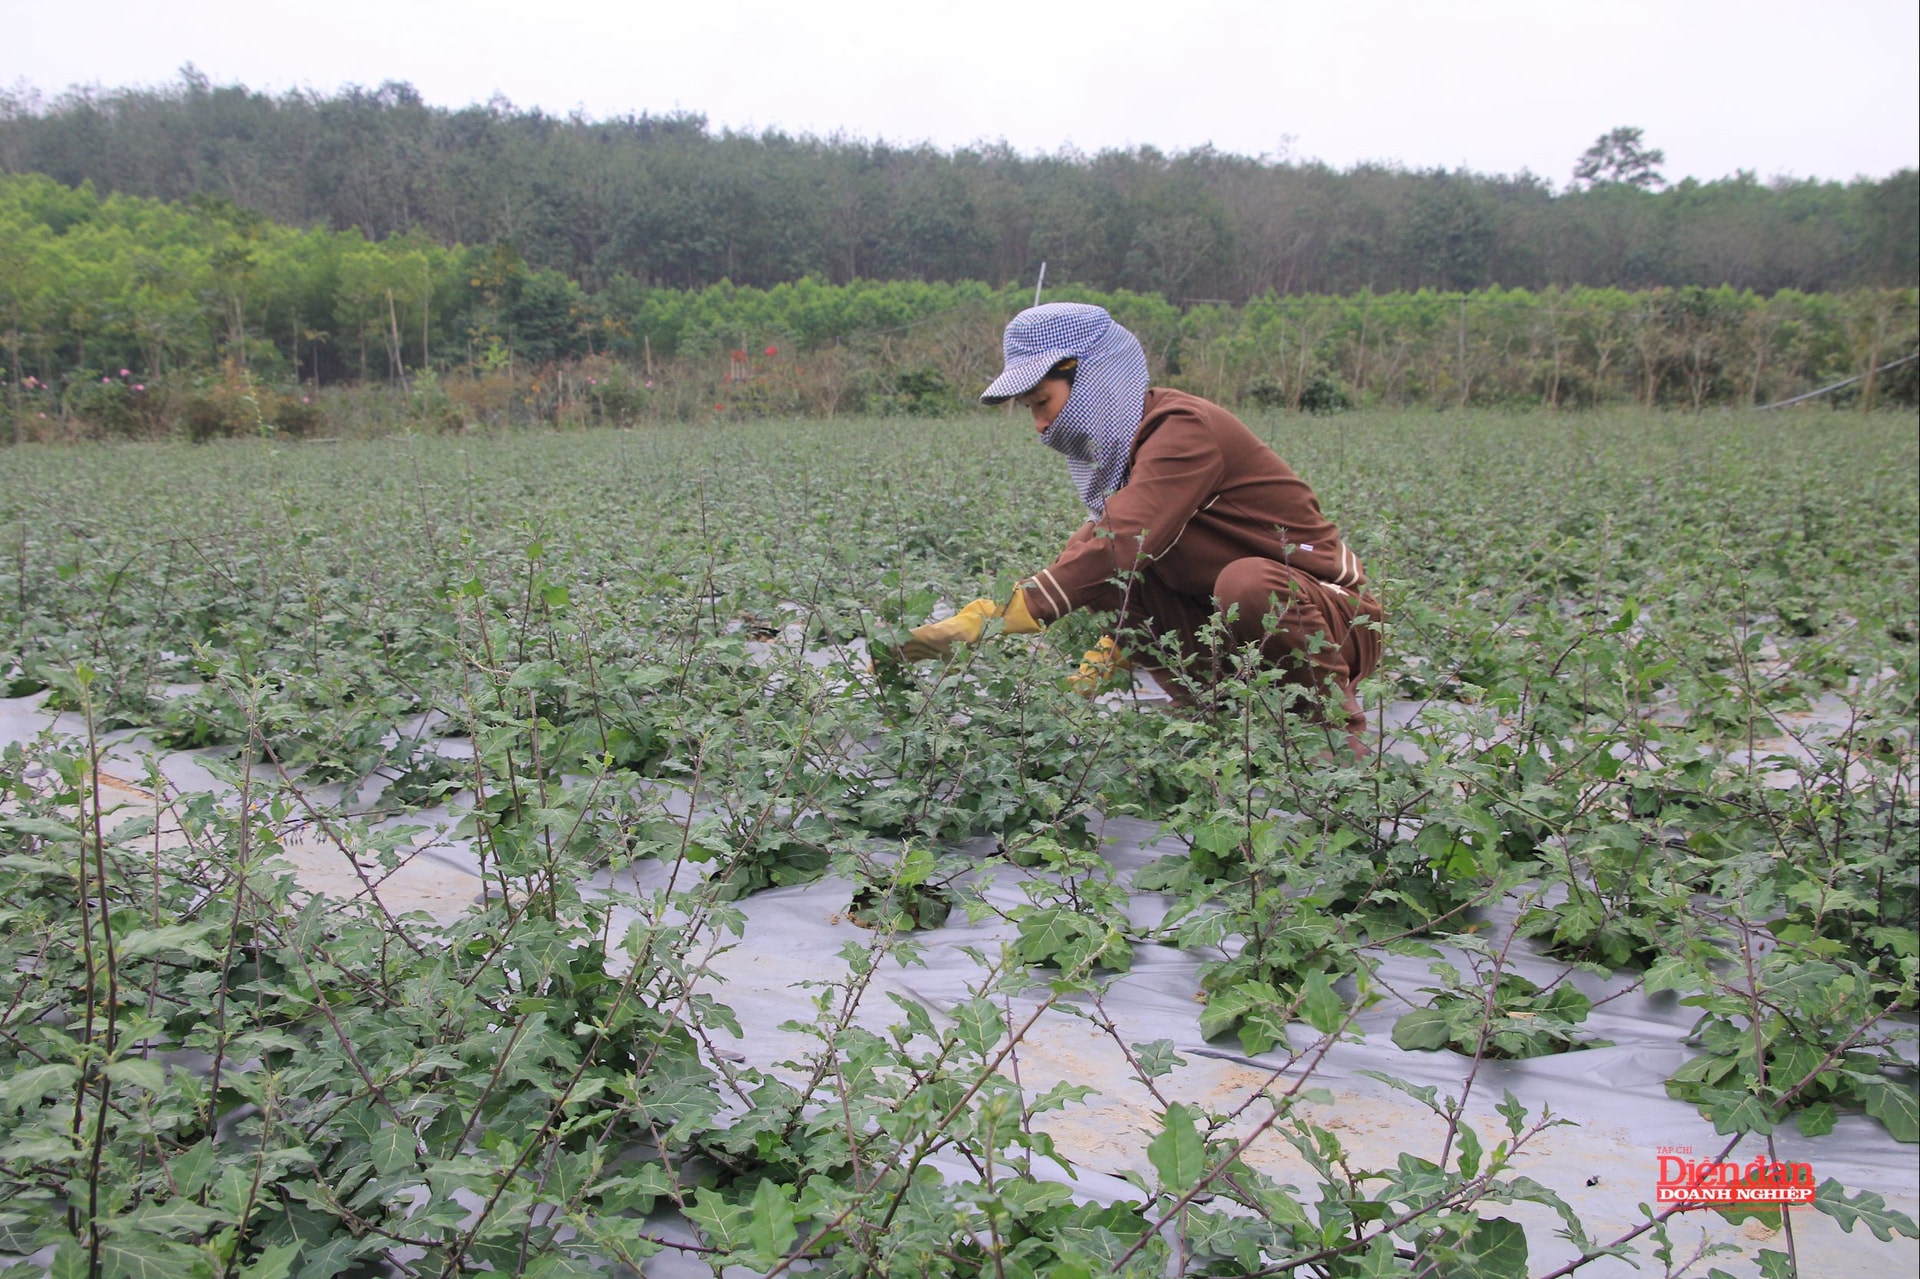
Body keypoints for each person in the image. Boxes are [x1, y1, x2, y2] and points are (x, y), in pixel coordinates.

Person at [898, 302, 1384, 756]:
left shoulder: (1182, 427)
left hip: (1334, 621)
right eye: (1030, 408)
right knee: (1090, 561)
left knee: (1245, 583)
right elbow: (1099, 556)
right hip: (1240, 631)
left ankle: (1338, 746)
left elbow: (1121, 540)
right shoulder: (1130, 458)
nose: (1040, 426)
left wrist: (990, 618)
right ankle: (1208, 721)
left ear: (1091, 378)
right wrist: (1102, 660)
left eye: (1042, 401)